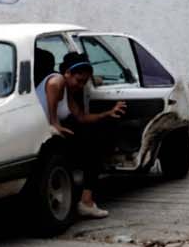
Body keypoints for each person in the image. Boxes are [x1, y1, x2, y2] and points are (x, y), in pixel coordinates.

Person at [35, 52, 125, 219]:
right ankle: (86, 202)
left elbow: (82, 117)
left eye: (85, 82)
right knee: (93, 146)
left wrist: (108, 113)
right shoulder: (58, 80)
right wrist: (54, 123)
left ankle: (86, 200)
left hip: (52, 136)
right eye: (79, 80)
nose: (81, 86)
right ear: (67, 73)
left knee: (97, 136)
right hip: (43, 136)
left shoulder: (68, 91)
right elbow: (53, 87)